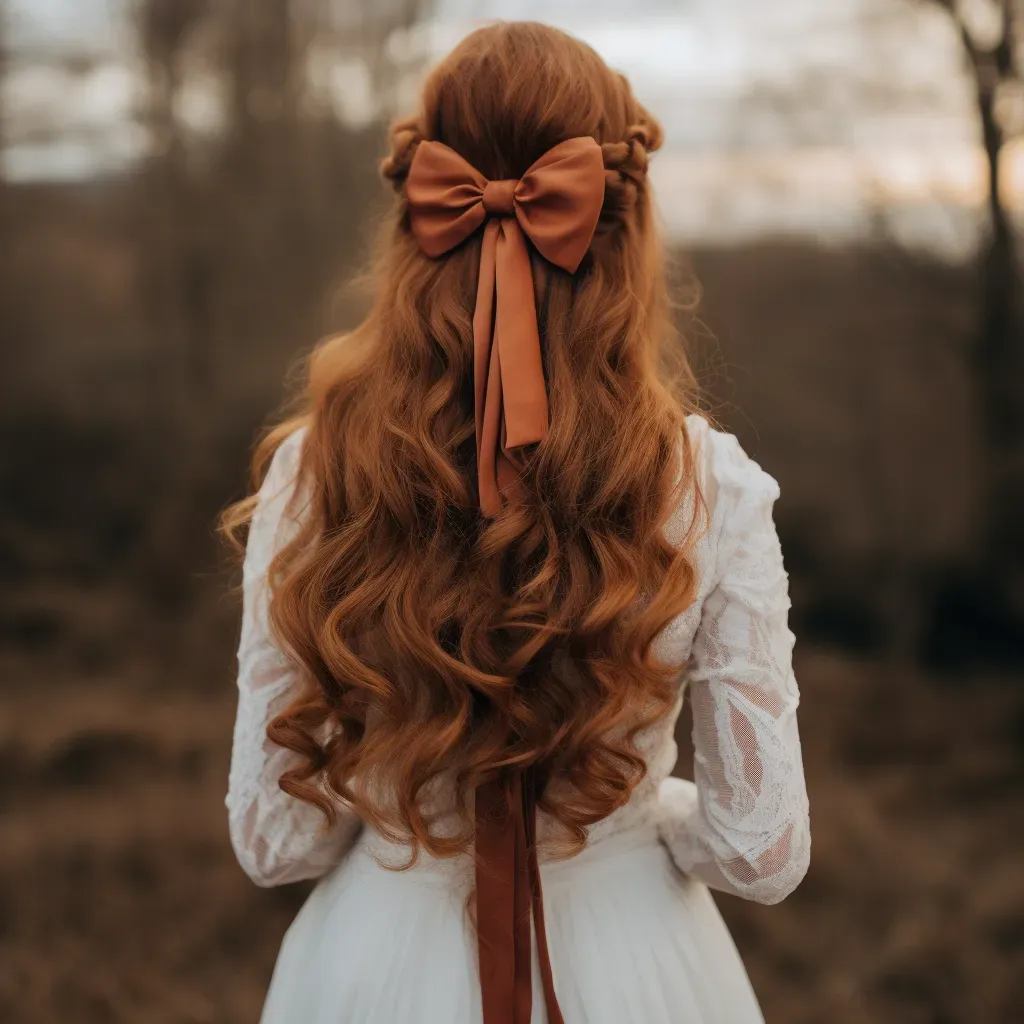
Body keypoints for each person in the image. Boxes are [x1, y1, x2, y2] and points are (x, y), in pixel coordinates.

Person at [221, 20, 810, 1024]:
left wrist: (404, 813)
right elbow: (760, 851)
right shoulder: (712, 484)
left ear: (417, 209)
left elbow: (275, 840)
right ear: (626, 225)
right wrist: (644, 815)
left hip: (371, 970)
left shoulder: (314, 472)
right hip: (639, 966)